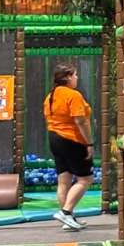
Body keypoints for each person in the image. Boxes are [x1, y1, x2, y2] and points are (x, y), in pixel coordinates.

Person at [43, 63, 94, 231]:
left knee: (64, 180)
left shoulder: (50, 96)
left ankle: (68, 219)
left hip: (54, 139)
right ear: (67, 77)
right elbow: (80, 120)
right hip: (72, 140)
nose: (77, 78)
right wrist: (88, 143)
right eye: (75, 75)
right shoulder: (73, 95)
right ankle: (66, 211)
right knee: (85, 179)